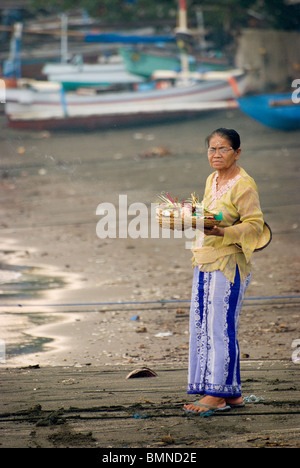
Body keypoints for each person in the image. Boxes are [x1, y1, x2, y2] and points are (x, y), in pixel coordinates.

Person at [184, 128, 264, 416]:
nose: (216, 155)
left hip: (229, 264)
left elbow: (255, 225)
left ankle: (217, 395)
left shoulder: (244, 184)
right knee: (202, 325)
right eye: (211, 149)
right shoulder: (212, 178)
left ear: (237, 152)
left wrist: (223, 231)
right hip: (206, 259)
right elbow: (210, 213)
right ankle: (229, 394)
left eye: (223, 149)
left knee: (220, 328)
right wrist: (192, 216)